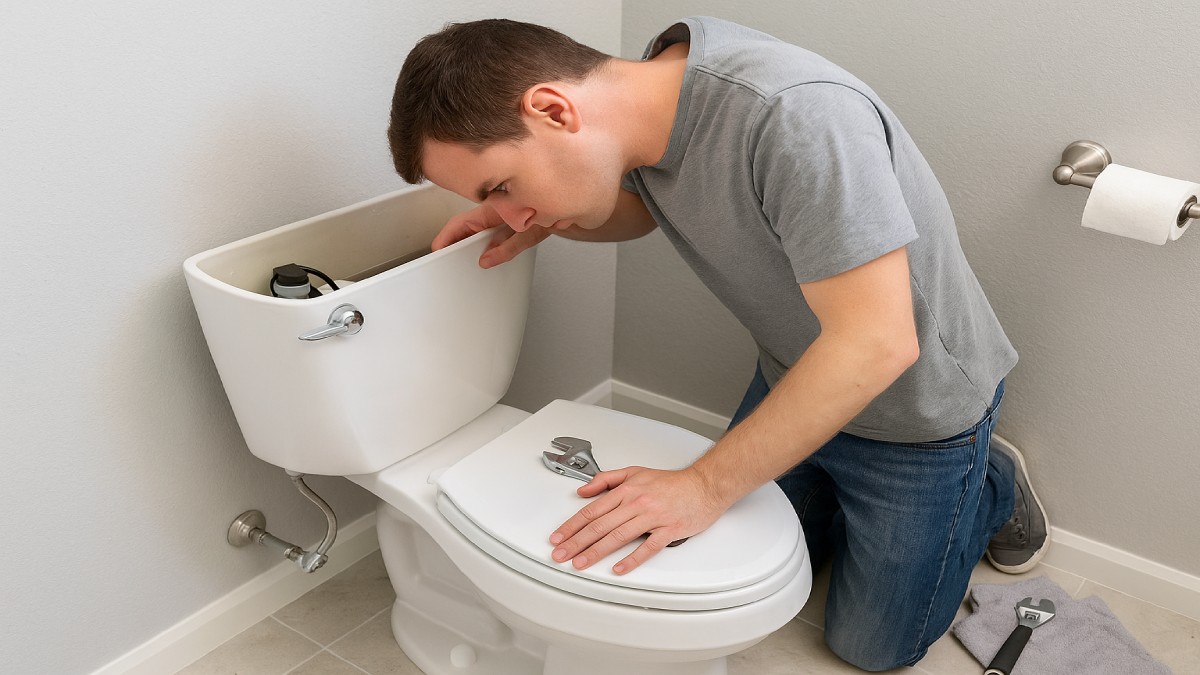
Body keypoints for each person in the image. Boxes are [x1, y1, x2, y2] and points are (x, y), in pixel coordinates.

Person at [386, 16, 1049, 671]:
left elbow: (878, 344)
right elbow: (641, 209)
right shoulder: (650, 99)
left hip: (915, 410)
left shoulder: (799, 118)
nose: (509, 211)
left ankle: (989, 481)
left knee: (871, 648)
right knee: (744, 563)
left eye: (502, 186)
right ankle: (874, 513)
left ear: (554, 110)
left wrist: (705, 484)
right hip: (801, 375)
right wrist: (531, 222)